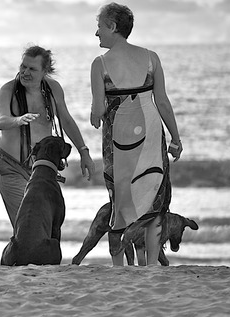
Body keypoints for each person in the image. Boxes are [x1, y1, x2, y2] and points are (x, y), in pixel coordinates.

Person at [90, 2, 183, 266]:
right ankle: (151, 264)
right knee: (153, 195)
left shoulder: (100, 64)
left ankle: (119, 267)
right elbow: (162, 101)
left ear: (112, 26)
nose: (97, 33)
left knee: (120, 199)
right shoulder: (151, 57)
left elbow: (98, 111)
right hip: (152, 131)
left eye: (99, 27)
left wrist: (94, 113)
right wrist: (176, 139)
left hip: (118, 135)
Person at [0, 45, 95, 232]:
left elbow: (65, 119)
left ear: (45, 71)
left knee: (44, 224)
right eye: (23, 66)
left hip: (41, 168)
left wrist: (84, 152)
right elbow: (2, 121)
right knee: (25, 227)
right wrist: (19, 120)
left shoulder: (53, 89)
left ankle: (42, 262)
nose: (25, 72)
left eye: (32, 69)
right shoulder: (8, 90)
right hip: (10, 166)